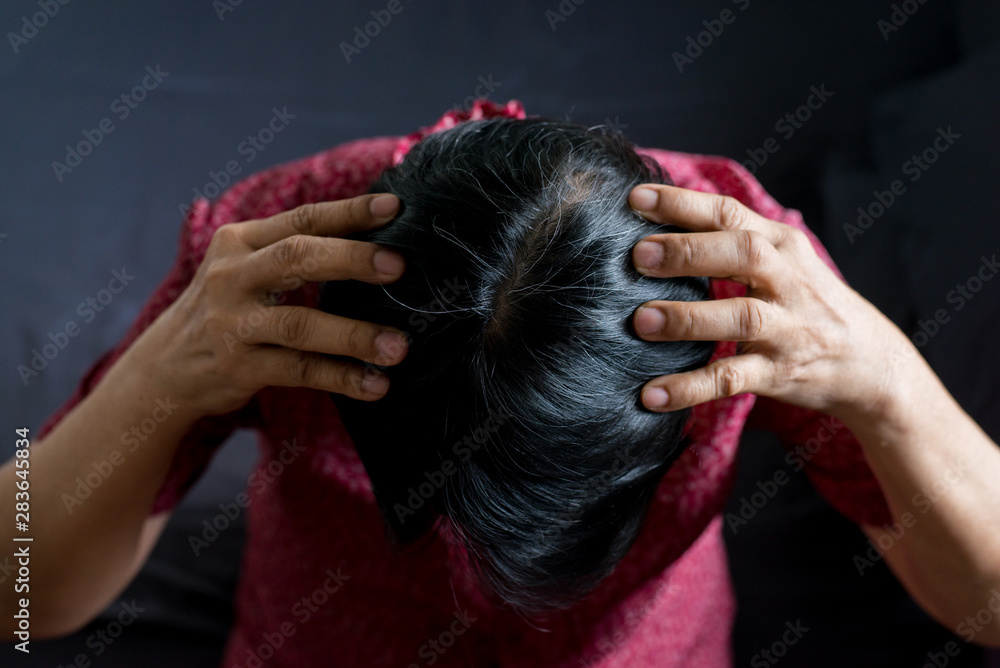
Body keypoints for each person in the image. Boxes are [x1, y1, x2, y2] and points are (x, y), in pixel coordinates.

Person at [2, 99, 998, 667]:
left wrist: (887, 384)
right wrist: (155, 383)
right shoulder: (286, 253)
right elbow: (18, 595)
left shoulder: (743, 272)